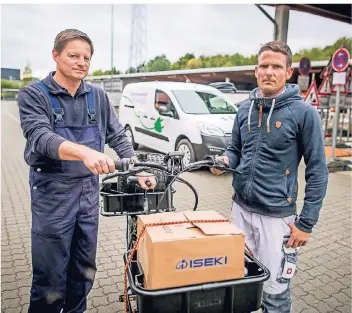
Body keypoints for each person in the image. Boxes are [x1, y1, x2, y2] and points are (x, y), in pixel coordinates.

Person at [18, 29, 156, 313]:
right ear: (55, 55)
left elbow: (117, 135)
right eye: (73, 55)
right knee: (50, 277)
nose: (81, 62)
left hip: (88, 195)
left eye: (87, 57)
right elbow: (40, 137)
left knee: (83, 270)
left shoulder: (97, 96)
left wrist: (137, 167)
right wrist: (84, 152)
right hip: (52, 195)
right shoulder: (33, 95)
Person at [211, 41, 328, 313]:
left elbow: (318, 170)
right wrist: (225, 162)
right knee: (242, 282)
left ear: (288, 73)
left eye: (276, 66)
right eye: (264, 66)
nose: (269, 72)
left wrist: (306, 223)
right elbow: (235, 150)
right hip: (240, 211)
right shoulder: (243, 109)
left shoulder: (303, 114)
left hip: (277, 220)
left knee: (275, 293)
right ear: (256, 70)